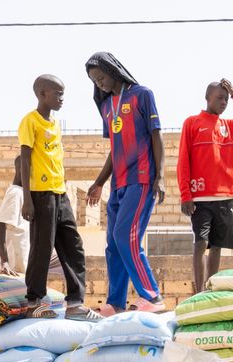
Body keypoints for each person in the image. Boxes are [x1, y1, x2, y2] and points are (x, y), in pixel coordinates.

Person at [84, 52, 167, 314]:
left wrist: (160, 176)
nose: (100, 84)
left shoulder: (142, 95)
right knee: (113, 244)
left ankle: (152, 297)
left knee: (126, 236)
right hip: (118, 184)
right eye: (95, 82)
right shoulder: (108, 106)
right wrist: (99, 182)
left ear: (113, 70)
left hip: (141, 178)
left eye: (101, 77)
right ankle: (116, 303)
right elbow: (114, 149)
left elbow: (157, 137)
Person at [17, 74, 99, 320]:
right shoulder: (30, 122)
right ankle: (34, 303)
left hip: (60, 193)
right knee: (41, 248)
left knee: (74, 247)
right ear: (42, 94)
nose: (62, 99)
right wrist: (27, 198)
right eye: (58, 94)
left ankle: (75, 304)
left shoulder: (55, 123)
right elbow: (25, 160)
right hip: (41, 195)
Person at [179, 79, 233, 293]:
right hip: (199, 198)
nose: (224, 102)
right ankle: (198, 292)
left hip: (224, 197)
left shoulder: (231, 127)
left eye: (226, 99)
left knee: (216, 246)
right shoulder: (192, 123)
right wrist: (185, 195)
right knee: (201, 242)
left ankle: (211, 290)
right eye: (219, 97)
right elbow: (183, 160)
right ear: (207, 97)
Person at [0, 156, 60, 277]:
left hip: (25, 259)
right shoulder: (15, 193)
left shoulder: (23, 193)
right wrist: (4, 261)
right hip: (16, 264)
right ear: (23, 171)